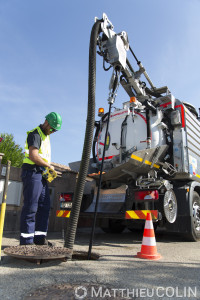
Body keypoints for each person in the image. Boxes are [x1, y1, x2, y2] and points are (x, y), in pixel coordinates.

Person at [20, 112, 62, 246]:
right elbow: (33, 156)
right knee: (31, 207)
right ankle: (26, 241)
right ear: (46, 122)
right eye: (52, 128)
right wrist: (49, 166)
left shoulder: (46, 136)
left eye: (56, 130)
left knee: (44, 207)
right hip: (32, 173)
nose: (53, 131)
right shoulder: (35, 134)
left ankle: (39, 239)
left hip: (41, 174)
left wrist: (48, 168)